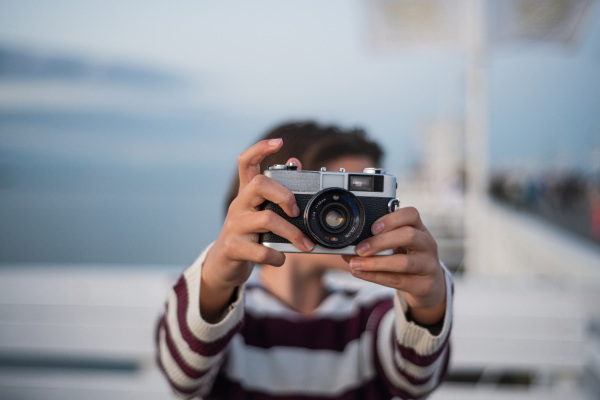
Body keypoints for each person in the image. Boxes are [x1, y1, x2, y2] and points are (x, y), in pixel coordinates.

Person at [156, 121, 453, 399]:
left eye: (365, 194)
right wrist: (215, 282)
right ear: (277, 198)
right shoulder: (225, 309)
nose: (350, 215)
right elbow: (183, 378)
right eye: (338, 195)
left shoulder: (372, 313)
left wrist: (427, 304)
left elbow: (414, 382)